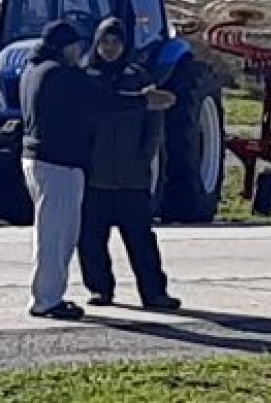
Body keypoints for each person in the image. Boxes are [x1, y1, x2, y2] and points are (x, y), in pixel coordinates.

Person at [20, 20, 175, 320]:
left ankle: (48, 296)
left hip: (39, 159)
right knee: (58, 236)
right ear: (64, 46)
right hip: (60, 163)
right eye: (76, 44)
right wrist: (145, 100)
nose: (80, 50)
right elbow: (104, 101)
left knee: (52, 233)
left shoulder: (32, 71)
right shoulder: (62, 75)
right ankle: (47, 300)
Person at [78, 18, 180, 310]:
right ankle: (100, 289)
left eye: (116, 43)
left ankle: (154, 293)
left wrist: (143, 157)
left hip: (131, 176)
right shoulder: (86, 78)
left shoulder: (137, 78)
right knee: (92, 240)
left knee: (141, 240)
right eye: (105, 42)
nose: (110, 49)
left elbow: (154, 122)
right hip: (95, 177)